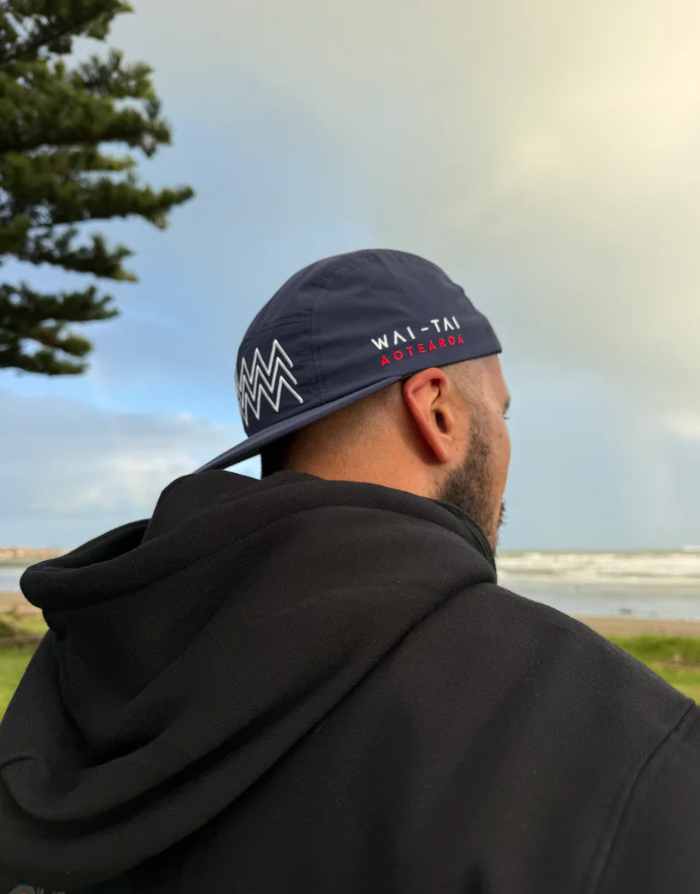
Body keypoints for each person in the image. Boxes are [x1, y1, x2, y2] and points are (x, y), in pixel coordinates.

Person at [0, 249, 698, 893]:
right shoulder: (615, 738)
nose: (510, 439)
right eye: (502, 410)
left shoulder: (82, 663)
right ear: (437, 411)